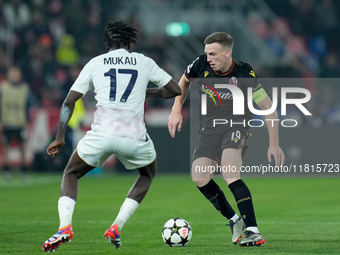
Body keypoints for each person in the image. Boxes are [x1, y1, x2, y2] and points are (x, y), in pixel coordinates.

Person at [42, 21, 181, 252]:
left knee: (71, 173)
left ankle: (64, 227)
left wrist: (59, 137)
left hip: (101, 134)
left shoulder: (95, 63)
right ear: (129, 43)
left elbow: (69, 101)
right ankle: (116, 226)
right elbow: (175, 89)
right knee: (147, 174)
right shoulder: (144, 61)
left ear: (107, 44)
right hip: (134, 137)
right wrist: (147, 91)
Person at [168, 32, 285, 247]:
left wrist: (274, 144)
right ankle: (234, 220)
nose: (208, 58)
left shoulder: (244, 74)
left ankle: (253, 231)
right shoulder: (200, 64)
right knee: (199, 178)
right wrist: (176, 110)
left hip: (237, 127)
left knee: (230, 172)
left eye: (213, 54)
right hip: (209, 129)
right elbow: (183, 82)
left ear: (227, 52)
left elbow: (269, 109)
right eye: (207, 54)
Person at [0, 66, 31, 180]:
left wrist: (27, 121)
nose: (14, 76)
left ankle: (24, 170)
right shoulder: (3, 88)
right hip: (7, 121)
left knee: (22, 147)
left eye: (16, 74)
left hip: (20, 121)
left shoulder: (25, 88)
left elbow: (28, 106)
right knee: (5, 147)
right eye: (12, 74)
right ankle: (6, 170)